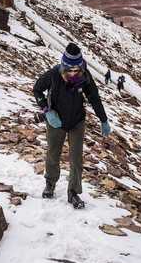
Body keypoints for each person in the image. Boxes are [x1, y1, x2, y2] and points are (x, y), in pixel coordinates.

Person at [33, 42, 111, 209]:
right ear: (64, 66)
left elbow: (94, 98)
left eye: (77, 70)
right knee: (53, 153)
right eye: (70, 70)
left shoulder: (84, 76)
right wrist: (47, 111)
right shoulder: (54, 74)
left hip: (77, 121)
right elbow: (37, 89)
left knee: (76, 158)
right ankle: (50, 183)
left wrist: (103, 120)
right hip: (56, 121)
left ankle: (73, 192)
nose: (74, 73)